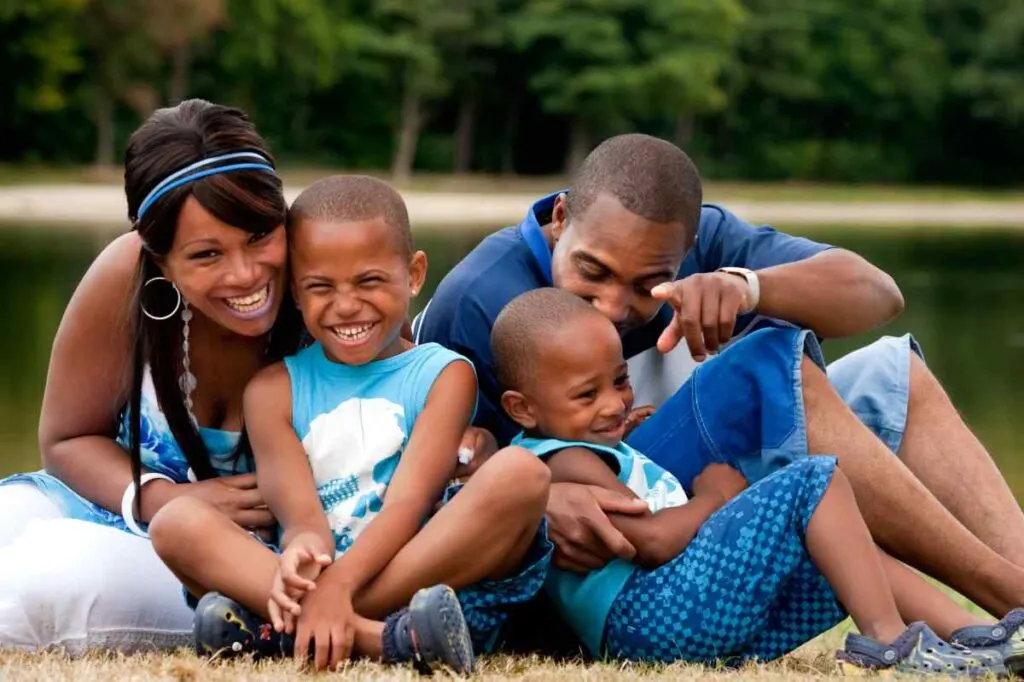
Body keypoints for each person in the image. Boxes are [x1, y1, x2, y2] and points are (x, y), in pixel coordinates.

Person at [412, 133, 1024, 653]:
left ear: (685, 248)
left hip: (681, 484)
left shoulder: (694, 236)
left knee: (895, 375)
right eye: (592, 272)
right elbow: (434, 473)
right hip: (617, 564)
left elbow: (879, 294)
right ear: (560, 218)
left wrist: (749, 287)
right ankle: (1008, 598)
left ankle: (1011, 595)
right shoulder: (480, 298)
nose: (616, 307)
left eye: (651, 282)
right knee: (766, 362)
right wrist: (542, 499)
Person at [492, 287, 1024, 676]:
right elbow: (649, 542)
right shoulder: (560, 461)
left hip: (674, 616)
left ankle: (973, 637)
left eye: (620, 381)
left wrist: (621, 437)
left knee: (840, 542)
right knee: (814, 481)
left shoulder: (580, 449)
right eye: (588, 396)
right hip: (652, 616)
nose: (613, 402)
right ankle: (888, 642)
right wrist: (712, 499)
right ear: (522, 408)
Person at [148, 175, 552, 673]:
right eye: (320, 287)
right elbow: (301, 520)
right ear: (295, 290)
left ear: (415, 274)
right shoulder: (273, 390)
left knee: (522, 474)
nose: (346, 305)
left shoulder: (444, 374)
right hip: (318, 577)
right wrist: (308, 558)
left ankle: (287, 631)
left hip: (416, 575)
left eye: (370, 281)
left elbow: (410, 504)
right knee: (175, 522)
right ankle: (385, 641)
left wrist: (339, 589)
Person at [0, 99, 310, 653]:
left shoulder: (326, 276)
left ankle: (258, 621)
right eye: (207, 254)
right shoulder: (125, 278)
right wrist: (162, 499)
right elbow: (68, 439)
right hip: (126, 506)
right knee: (9, 520)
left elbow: (412, 391)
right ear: (158, 258)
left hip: (242, 557)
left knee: (52, 574)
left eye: (260, 236)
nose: (245, 274)